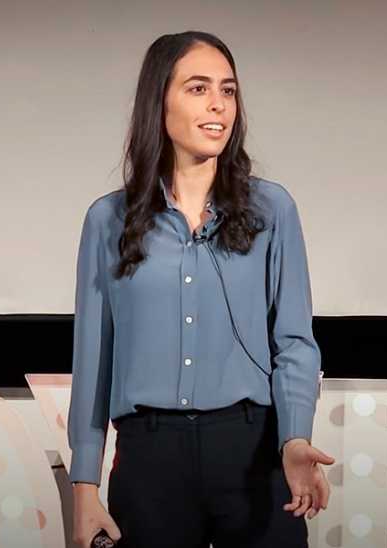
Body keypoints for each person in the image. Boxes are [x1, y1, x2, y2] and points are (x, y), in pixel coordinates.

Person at [67, 31, 335, 548]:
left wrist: (295, 438)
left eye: (228, 90)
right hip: (149, 462)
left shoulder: (271, 210)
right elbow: (93, 359)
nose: (218, 105)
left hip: (254, 453)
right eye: (197, 88)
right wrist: (83, 486)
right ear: (157, 101)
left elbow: (295, 342)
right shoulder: (107, 220)